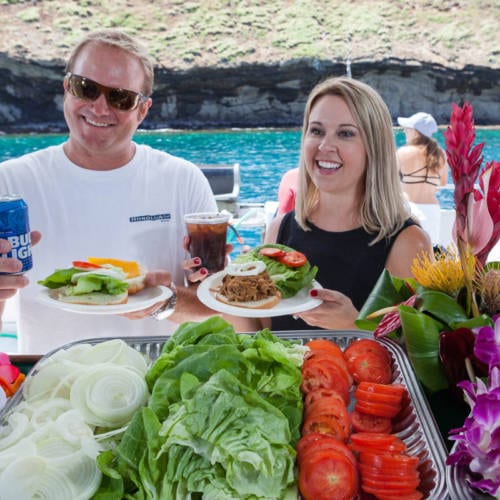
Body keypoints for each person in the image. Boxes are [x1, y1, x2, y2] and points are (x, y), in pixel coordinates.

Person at [0, 29, 220, 354]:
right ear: (67, 89)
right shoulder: (10, 185)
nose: (100, 108)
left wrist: (165, 301)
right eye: (85, 88)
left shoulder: (184, 180)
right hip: (52, 386)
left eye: (120, 98)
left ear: (142, 110)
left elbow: (215, 308)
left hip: (159, 386)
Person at [263, 76, 433, 332]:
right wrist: (219, 291)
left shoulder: (408, 242)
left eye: (345, 133)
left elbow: (419, 359)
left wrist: (354, 325)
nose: (325, 146)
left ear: (374, 148)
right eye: (316, 130)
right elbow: (258, 330)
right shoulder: (278, 230)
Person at [396, 112, 448, 246]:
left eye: (407, 128)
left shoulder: (403, 153)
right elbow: (443, 183)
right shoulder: (441, 154)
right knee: (428, 255)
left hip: (409, 209)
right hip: (432, 211)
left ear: (416, 132)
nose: (405, 131)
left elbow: (388, 181)